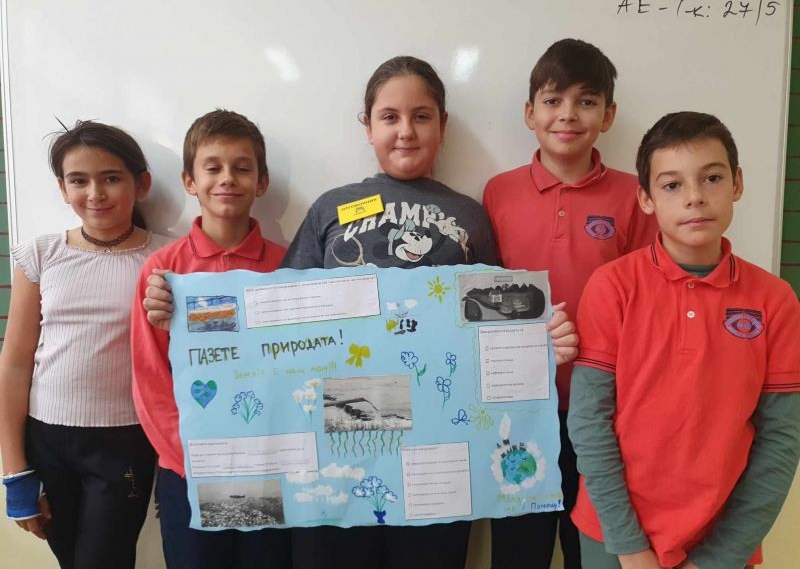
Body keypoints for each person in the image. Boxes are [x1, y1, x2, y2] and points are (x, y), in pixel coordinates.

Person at [142, 58, 578, 569]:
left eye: (421, 116)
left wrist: (537, 341)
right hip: (337, 439)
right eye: (389, 117)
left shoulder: (470, 214)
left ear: (442, 127)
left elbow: (490, 323)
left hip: (438, 440)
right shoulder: (331, 208)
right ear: (367, 126)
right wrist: (187, 315)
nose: (405, 131)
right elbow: (275, 320)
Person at [568, 111, 800, 568]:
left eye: (712, 178)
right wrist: (630, 546)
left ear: (737, 183)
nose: (695, 197)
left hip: (722, 541)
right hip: (613, 535)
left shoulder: (775, 300)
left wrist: (717, 558)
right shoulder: (612, 286)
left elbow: (781, 440)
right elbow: (590, 422)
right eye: (672, 185)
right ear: (646, 199)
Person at [483, 38, 656, 569]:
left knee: (592, 549)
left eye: (586, 101)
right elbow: (481, 296)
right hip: (517, 409)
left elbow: (648, 301)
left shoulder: (635, 195)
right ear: (529, 113)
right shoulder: (498, 192)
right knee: (519, 551)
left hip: (603, 412)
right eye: (553, 100)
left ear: (608, 115)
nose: (568, 114)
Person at [0, 120, 168, 569]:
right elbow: (15, 363)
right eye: (79, 180)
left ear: (141, 184)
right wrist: (14, 470)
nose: (95, 193)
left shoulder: (167, 259)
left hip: (125, 441)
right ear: (63, 188)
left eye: (111, 178)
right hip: (46, 440)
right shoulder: (40, 254)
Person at [129, 109, 290, 568]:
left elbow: (300, 363)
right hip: (190, 470)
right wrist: (192, 454)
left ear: (261, 182)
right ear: (190, 180)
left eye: (242, 168)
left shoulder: (288, 266)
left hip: (267, 467)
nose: (227, 179)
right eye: (213, 167)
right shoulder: (163, 271)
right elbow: (150, 376)